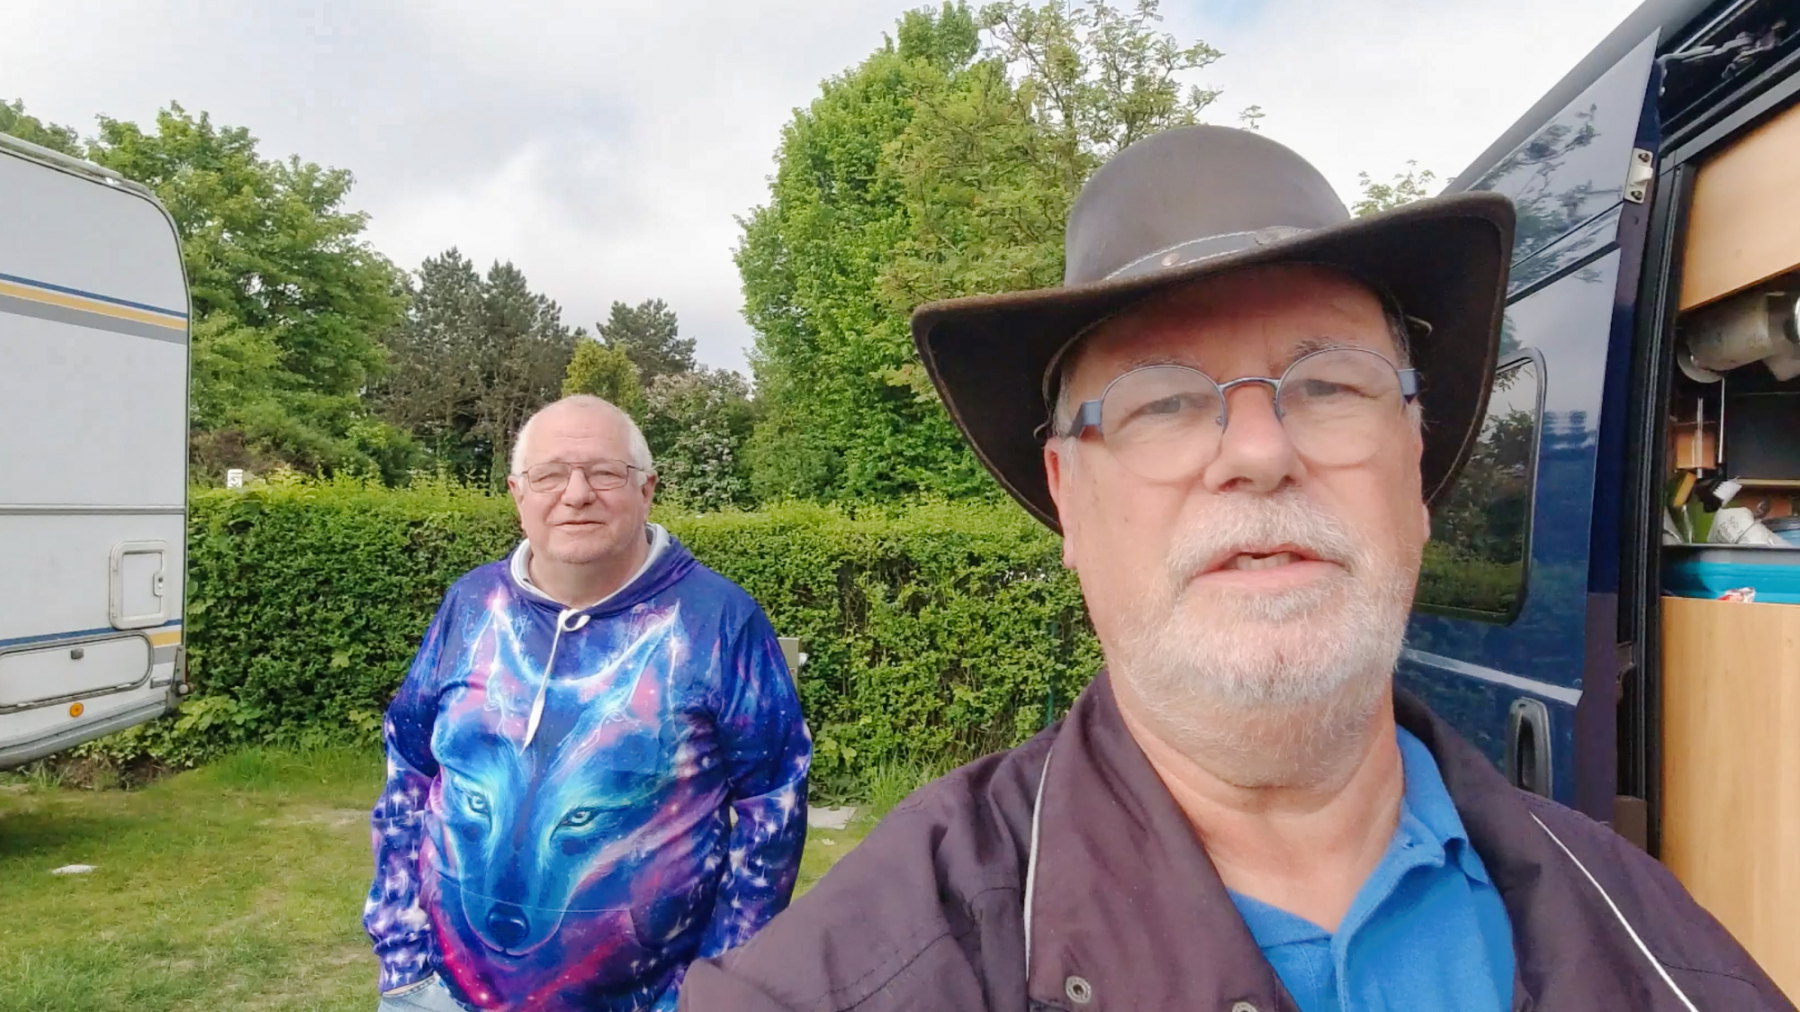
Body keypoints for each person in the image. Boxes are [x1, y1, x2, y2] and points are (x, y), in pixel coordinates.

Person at [679, 127, 1795, 1010]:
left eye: (1331, 384)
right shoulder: (846, 980)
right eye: (1163, 401)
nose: (1260, 452)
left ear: (1413, 469)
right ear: (1069, 498)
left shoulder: (1671, 958)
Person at [363, 395, 811, 1012]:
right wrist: (402, 956)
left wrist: (714, 988)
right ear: (518, 494)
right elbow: (409, 766)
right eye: (550, 474)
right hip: (437, 994)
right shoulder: (470, 605)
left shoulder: (718, 621)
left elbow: (773, 809)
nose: (576, 495)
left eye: (604, 473)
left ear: (647, 489)